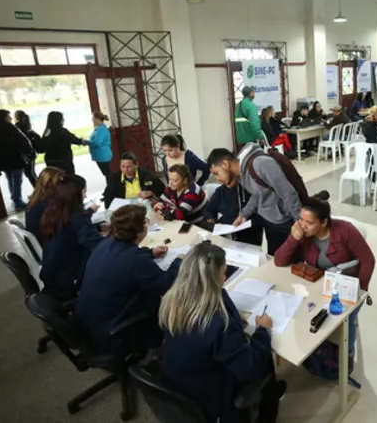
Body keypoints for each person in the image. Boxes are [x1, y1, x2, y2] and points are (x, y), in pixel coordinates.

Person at [159, 241, 285, 423]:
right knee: (263, 358)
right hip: (209, 396)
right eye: (224, 273)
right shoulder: (217, 323)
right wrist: (262, 330)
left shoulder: (174, 299)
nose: (225, 278)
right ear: (212, 277)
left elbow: (221, 297)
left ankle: (269, 394)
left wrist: (234, 315)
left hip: (179, 382)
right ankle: (268, 412)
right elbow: (248, 368)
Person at [274, 192, 375, 382]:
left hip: (347, 283)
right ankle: (318, 349)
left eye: (309, 222)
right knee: (303, 313)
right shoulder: (302, 233)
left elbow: (368, 260)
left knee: (347, 317)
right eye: (301, 219)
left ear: (324, 222)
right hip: (319, 282)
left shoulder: (345, 230)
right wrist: (293, 239)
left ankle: (347, 354)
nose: (303, 225)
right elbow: (280, 261)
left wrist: (360, 290)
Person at [74, 205, 182, 357]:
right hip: (112, 332)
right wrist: (178, 262)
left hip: (90, 322)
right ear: (139, 232)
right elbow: (164, 285)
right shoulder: (136, 261)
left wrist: (149, 252)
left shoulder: (105, 243)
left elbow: (124, 257)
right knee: (166, 302)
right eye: (145, 221)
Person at [207, 146, 302, 256]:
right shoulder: (241, 174)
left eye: (216, 173)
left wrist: (299, 222)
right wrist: (244, 214)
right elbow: (258, 193)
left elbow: (288, 193)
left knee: (292, 260)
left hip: (287, 220)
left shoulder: (261, 164)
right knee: (275, 258)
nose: (217, 179)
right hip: (270, 221)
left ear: (225, 164)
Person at [40, 174, 104, 298]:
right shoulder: (78, 217)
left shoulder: (53, 211)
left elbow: (69, 233)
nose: (85, 196)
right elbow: (98, 246)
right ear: (74, 195)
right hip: (71, 281)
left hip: (54, 277)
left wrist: (97, 228)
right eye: (84, 192)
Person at [202, 171, 264, 246]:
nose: (218, 179)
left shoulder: (249, 190)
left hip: (250, 235)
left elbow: (262, 215)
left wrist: (246, 222)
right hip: (226, 234)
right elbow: (209, 210)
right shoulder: (220, 191)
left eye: (218, 173)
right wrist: (210, 218)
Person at [0, 109, 34, 211]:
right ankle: (17, 200)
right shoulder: (10, 127)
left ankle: (15, 199)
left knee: (10, 179)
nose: (10, 118)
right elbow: (23, 140)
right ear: (3, 117)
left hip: (2, 159)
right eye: (8, 116)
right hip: (15, 157)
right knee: (17, 179)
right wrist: (28, 151)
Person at [37, 111, 86, 176]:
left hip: (50, 161)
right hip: (63, 160)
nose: (64, 120)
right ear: (58, 120)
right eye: (62, 119)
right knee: (68, 179)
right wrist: (82, 141)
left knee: (55, 179)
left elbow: (43, 146)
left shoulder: (47, 131)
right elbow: (73, 139)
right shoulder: (62, 131)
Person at [25, 166, 65, 240]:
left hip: (40, 240)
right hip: (48, 242)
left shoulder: (36, 199)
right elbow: (65, 224)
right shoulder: (48, 202)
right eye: (61, 181)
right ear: (53, 183)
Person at [14, 110, 40, 187]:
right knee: (31, 173)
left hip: (25, 153)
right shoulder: (27, 126)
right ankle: (40, 189)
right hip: (32, 152)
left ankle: (39, 191)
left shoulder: (17, 127)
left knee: (29, 174)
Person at [89, 111, 113, 178]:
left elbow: (97, 143)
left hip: (102, 155)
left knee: (108, 174)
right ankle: (111, 187)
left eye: (93, 118)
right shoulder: (98, 129)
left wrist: (86, 142)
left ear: (97, 119)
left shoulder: (101, 129)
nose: (92, 120)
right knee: (107, 173)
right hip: (100, 155)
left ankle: (112, 187)